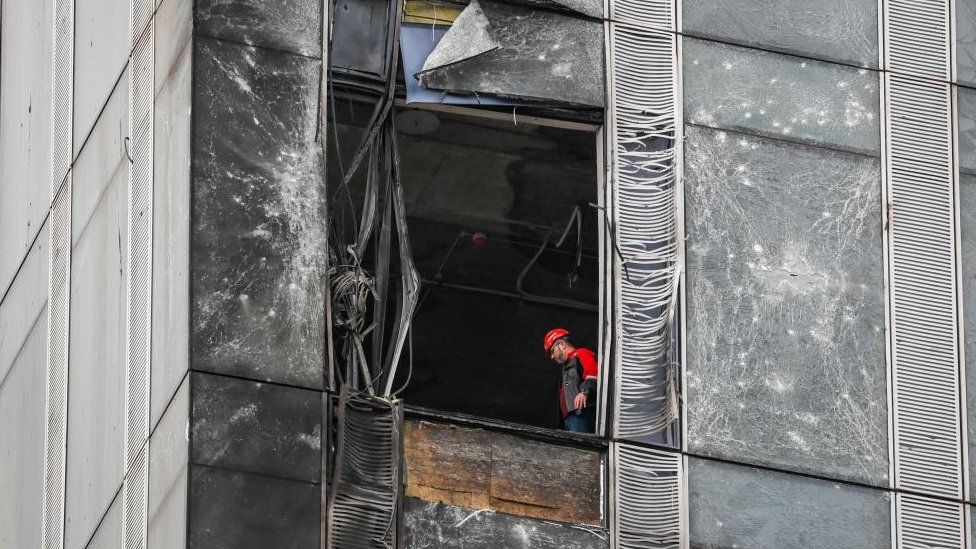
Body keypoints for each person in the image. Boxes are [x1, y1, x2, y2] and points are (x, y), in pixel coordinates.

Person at [543, 328, 598, 433]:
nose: (552, 356)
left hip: (580, 415)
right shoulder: (566, 367)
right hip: (570, 419)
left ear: (562, 344)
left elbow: (593, 373)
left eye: (552, 351)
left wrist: (584, 392)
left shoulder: (581, 353)